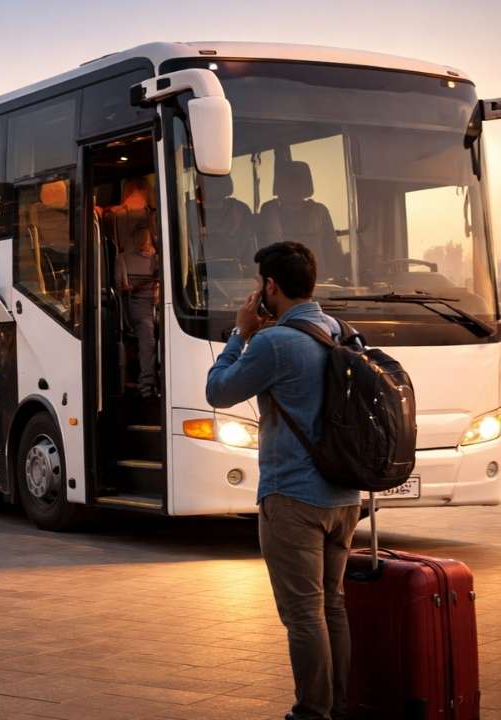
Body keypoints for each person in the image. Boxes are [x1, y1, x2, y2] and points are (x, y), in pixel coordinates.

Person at [205, 241, 360, 720]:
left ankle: (312, 712)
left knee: (303, 614)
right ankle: (337, 704)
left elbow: (218, 391)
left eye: (259, 285)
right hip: (344, 496)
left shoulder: (274, 343)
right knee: (332, 605)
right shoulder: (340, 331)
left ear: (270, 287)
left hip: (292, 498)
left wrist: (240, 333)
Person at [258, 161, 346, 281]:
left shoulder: (319, 211)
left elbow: (332, 249)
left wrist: (339, 277)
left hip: (317, 282)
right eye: (289, 182)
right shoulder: (270, 211)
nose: (294, 187)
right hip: (281, 282)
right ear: (279, 186)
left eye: (298, 182)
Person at [117, 227, 162, 398]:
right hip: (136, 304)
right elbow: (119, 287)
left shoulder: (158, 259)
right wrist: (129, 288)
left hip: (157, 303)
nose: (147, 245)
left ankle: (162, 380)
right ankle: (146, 385)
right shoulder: (123, 259)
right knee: (148, 336)